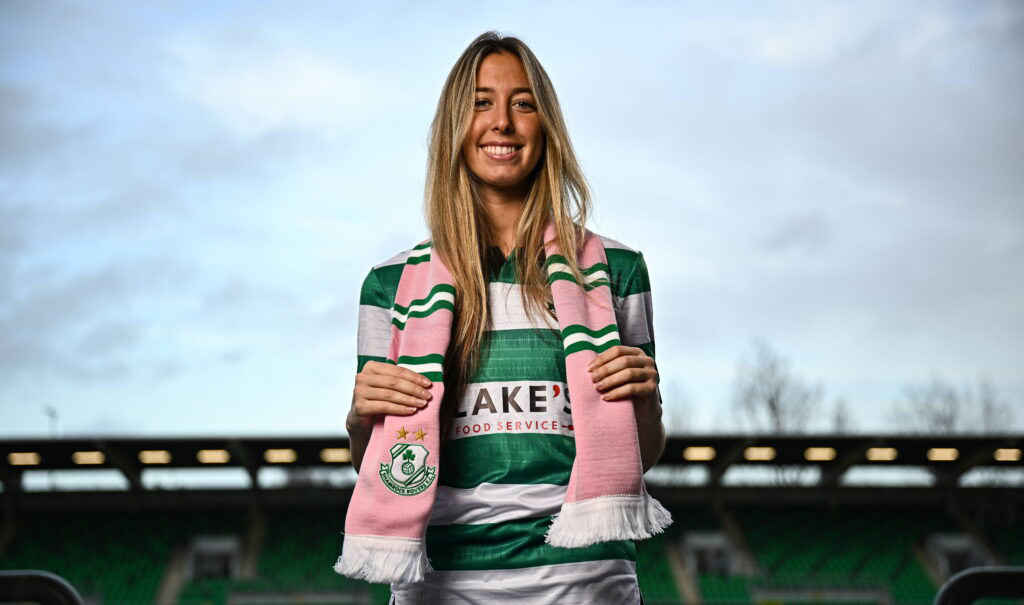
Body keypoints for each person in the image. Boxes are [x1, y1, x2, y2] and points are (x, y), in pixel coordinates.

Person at [344, 31, 665, 604]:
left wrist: (647, 400)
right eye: (480, 103)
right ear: (454, 126)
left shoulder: (618, 270)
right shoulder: (389, 286)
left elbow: (643, 450)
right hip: (441, 584)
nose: (502, 123)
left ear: (547, 125)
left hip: (585, 584)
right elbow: (381, 460)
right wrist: (357, 420)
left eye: (523, 103)